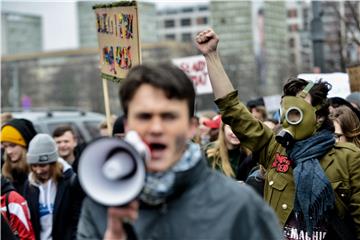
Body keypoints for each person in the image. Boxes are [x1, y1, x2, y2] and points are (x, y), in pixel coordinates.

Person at [77, 63, 282, 240]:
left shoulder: (239, 206)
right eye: (144, 117)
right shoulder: (102, 204)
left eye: (169, 117)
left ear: (191, 127)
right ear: (128, 126)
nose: (156, 128)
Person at [195, 28, 360, 239]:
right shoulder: (274, 149)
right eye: (285, 112)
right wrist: (211, 55)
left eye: (295, 113)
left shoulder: (348, 158)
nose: (286, 121)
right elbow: (233, 110)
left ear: (318, 117)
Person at [23, 133, 82, 240]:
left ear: (53, 163)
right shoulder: (29, 185)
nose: (38, 170)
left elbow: (77, 220)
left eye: (42, 165)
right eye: (34, 165)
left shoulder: (70, 182)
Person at [1, 118, 37, 193]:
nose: (8, 151)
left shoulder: (39, 172)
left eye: (13, 145)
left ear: (26, 146)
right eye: (5, 146)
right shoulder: (4, 173)